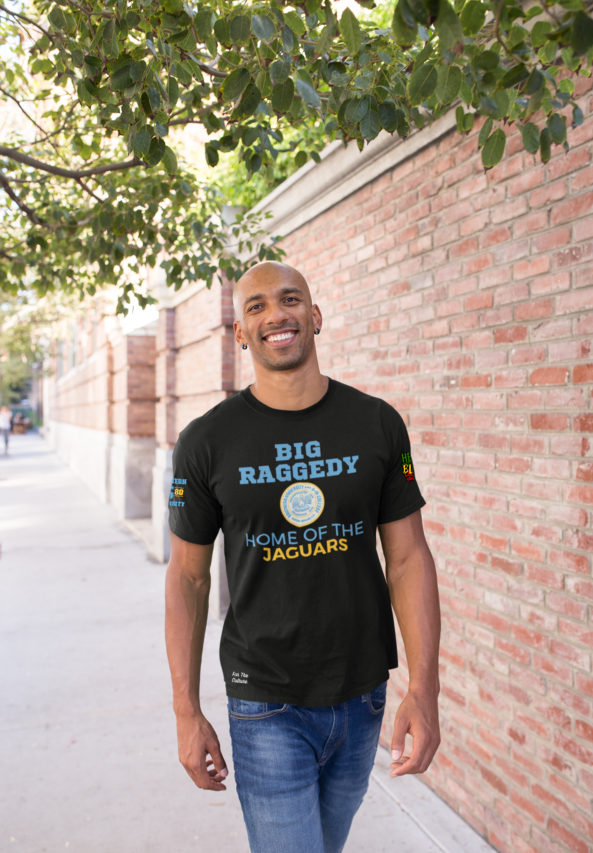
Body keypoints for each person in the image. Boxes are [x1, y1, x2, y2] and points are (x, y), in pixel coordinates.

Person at [165, 262, 441, 853]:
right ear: (241, 332)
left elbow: (410, 556)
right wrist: (186, 711)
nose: (275, 315)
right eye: (256, 306)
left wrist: (425, 688)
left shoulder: (376, 423)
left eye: (289, 300)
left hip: (363, 693)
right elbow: (188, 578)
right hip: (266, 699)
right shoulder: (206, 442)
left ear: (314, 317)